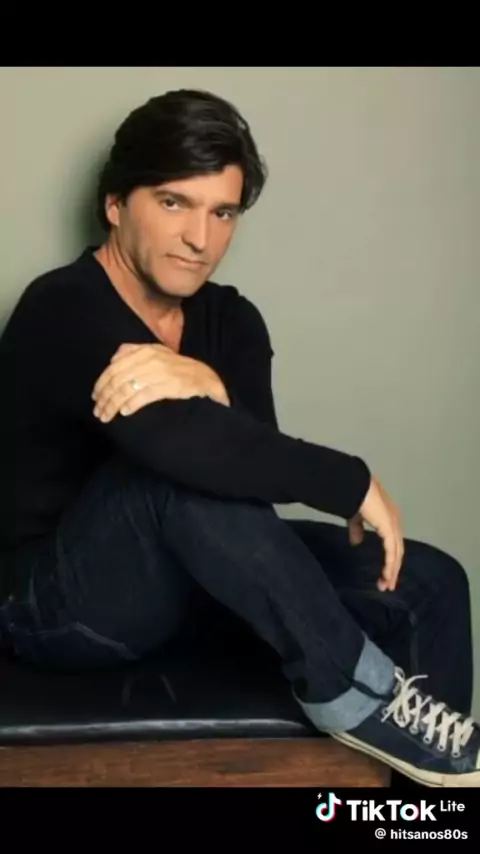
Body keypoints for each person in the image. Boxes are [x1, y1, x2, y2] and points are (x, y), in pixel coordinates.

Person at [0, 88, 477, 788]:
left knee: (431, 580)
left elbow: (249, 466)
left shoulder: (231, 321)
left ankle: (419, 812)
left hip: (184, 584)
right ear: (115, 204)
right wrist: (350, 480)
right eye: (174, 203)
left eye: (221, 213)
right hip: (55, 606)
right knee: (169, 480)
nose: (201, 238)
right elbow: (186, 453)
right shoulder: (62, 308)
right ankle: (358, 693)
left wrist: (208, 380)